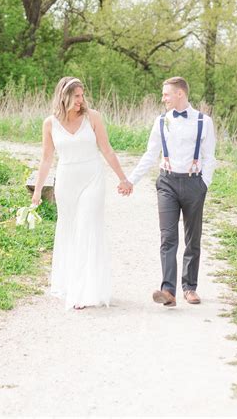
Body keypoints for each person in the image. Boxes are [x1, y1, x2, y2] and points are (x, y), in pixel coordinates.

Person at [31, 76, 133, 310]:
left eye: (82, 95)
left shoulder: (93, 118)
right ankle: (70, 282)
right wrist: (37, 191)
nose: (81, 100)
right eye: (77, 96)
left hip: (92, 178)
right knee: (70, 229)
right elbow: (46, 159)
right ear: (64, 96)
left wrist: (123, 178)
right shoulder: (50, 123)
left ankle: (82, 291)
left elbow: (107, 150)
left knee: (87, 227)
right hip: (67, 181)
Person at [128, 76, 216, 307]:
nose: (163, 98)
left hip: (193, 184)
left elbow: (209, 157)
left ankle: (190, 287)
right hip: (167, 182)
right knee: (168, 237)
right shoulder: (160, 121)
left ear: (180, 93)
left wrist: (204, 183)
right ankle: (169, 291)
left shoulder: (203, 121)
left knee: (192, 238)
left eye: (166, 94)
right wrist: (131, 180)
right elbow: (150, 154)